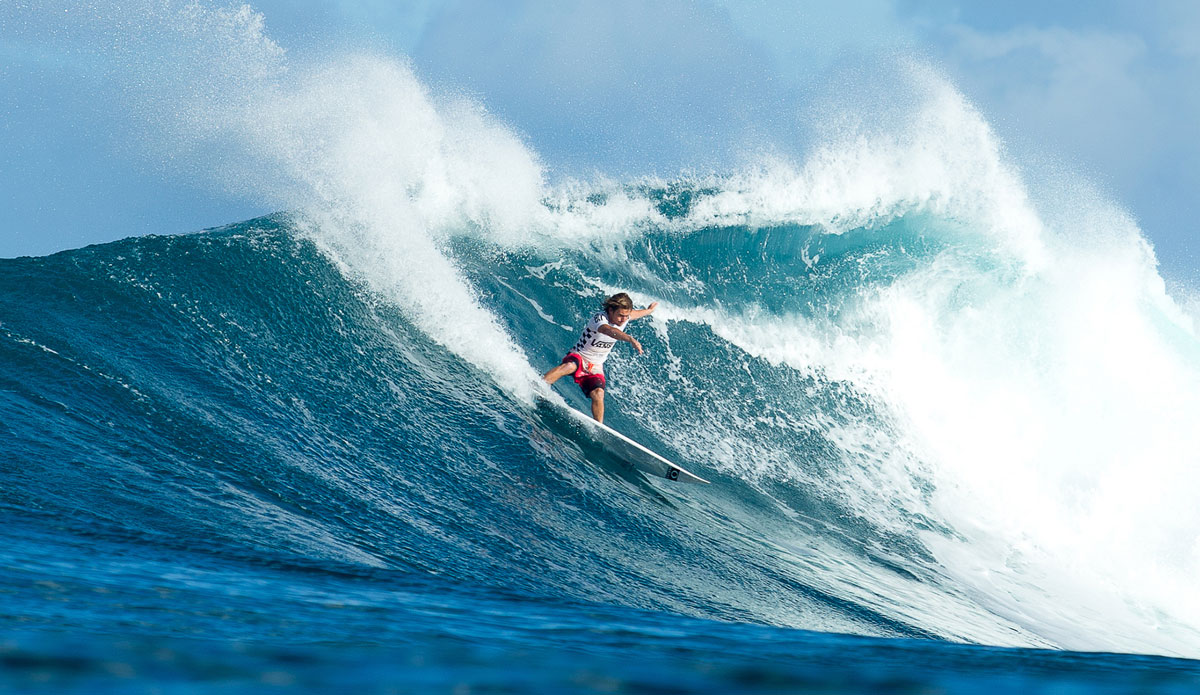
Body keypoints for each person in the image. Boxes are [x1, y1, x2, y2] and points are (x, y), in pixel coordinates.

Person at [543, 292, 657, 423]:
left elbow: (635, 314)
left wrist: (649, 311)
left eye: (626, 316)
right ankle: (540, 385)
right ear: (610, 310)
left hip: (596, 365)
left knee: (599, 394)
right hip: (580, 355)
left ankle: (598, 427)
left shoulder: (624, 317)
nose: (623, 319)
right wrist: (630, 339)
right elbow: (609, 331)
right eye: (620, 315)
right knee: (569, 366)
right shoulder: (599, 319)